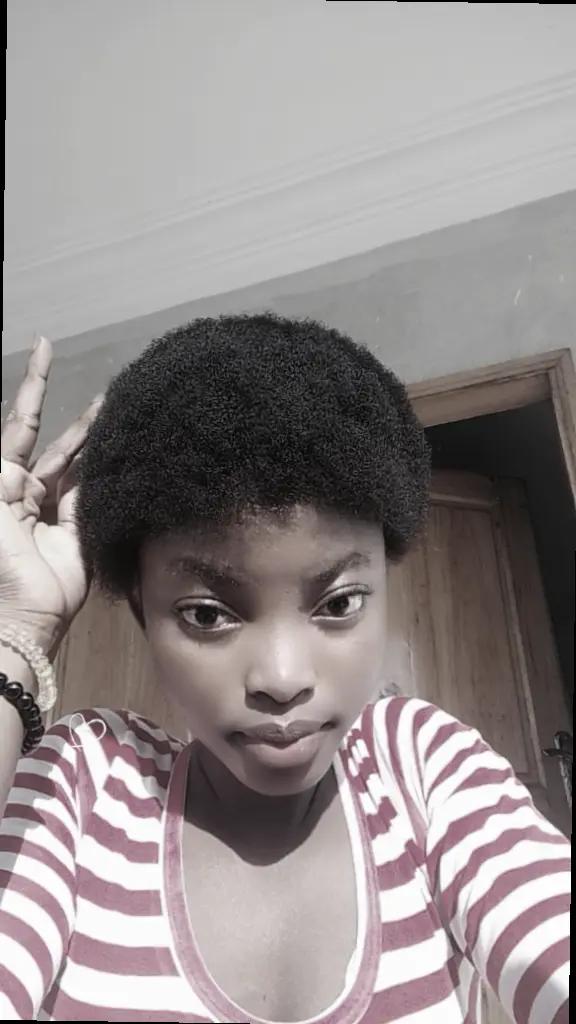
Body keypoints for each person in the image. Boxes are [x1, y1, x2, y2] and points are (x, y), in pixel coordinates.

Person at [0, 315, 570, 1024]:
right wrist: (15, 632)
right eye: (208, 613)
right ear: (142, 609)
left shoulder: (421, 767)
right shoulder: (89, 783)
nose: (282, 676)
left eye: (339, 603)